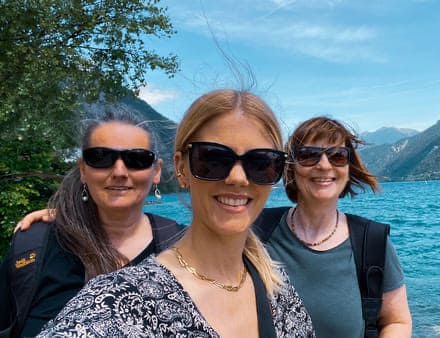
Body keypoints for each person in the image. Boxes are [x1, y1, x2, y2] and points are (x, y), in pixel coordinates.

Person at [36, 89, 315, 337]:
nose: (238, 178)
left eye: (261, 162)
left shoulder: (277, 290)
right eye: (214, 159)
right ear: (181, 168)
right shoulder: (122, 303)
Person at [0, 112, 186, 337]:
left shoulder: (184, 248)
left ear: (156, 171)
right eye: (100, 158)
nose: (119, 172)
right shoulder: (38, 244)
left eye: (137, 159)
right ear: (83, 169)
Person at [262, 116, 412, 337]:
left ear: (348, 168)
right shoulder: (257, 231)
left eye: (337, 156)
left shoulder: (372, 243)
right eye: (309, 155)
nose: (324, 165)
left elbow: (397, 321)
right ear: (291, 167)